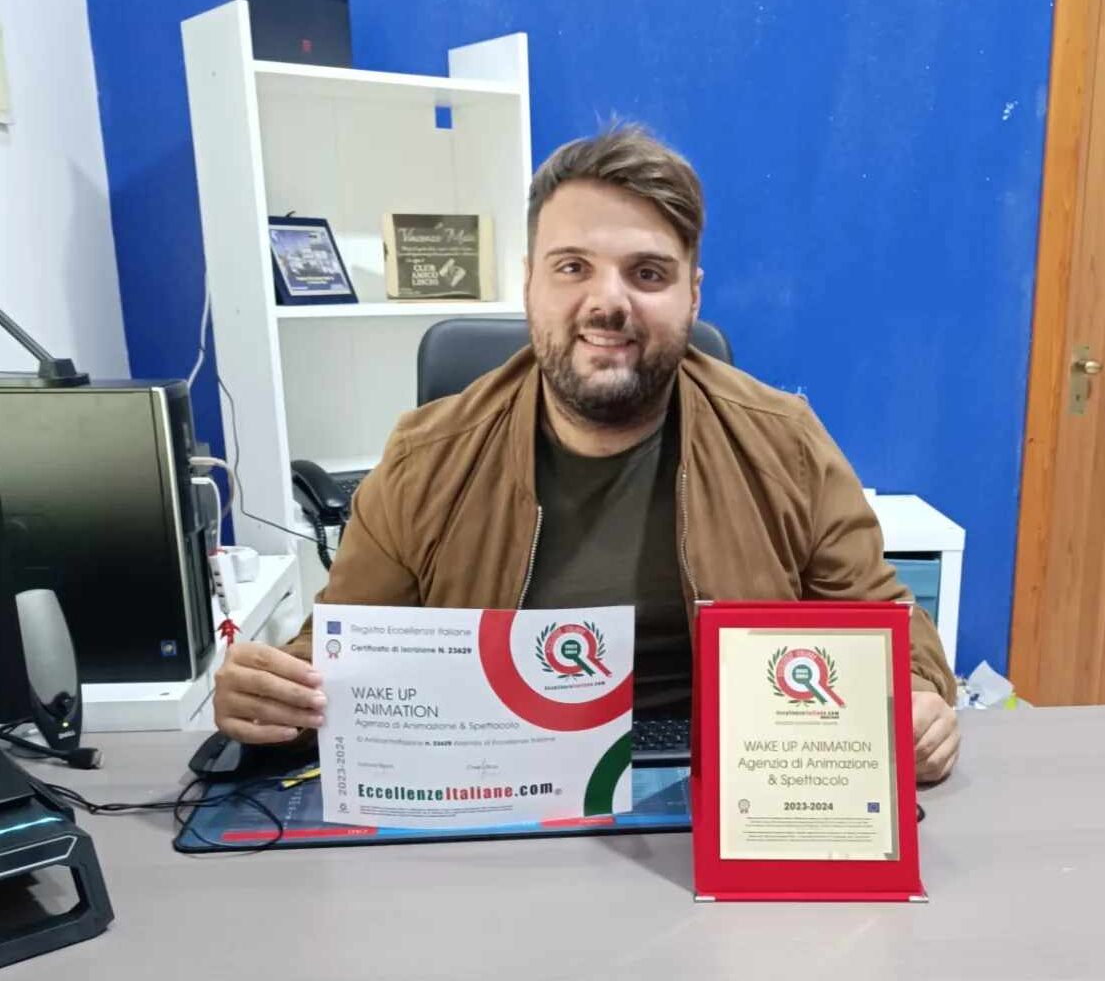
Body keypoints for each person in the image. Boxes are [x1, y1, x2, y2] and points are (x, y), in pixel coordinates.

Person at [213, 124, 962, 783]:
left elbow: (891, 635)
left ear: (693, 296)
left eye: (648, 273)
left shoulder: (785, 444)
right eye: (572, 267)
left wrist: (919, 699)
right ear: (529, 285)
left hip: (727, 795)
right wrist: (268, 696)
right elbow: (339, 657)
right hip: (499, 794)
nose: (609, 303)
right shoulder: (425, 461)